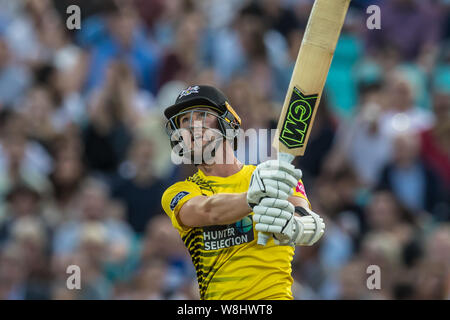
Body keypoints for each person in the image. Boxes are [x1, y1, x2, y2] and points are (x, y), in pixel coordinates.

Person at [161, 85, 325, 300]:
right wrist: (253, 198)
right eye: (184, 121)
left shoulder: (272, 176)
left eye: (202, 115)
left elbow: (304, 217)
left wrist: (295, 226)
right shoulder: (178, 192)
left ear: (227, 122)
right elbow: (208, 211)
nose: (192, 126)